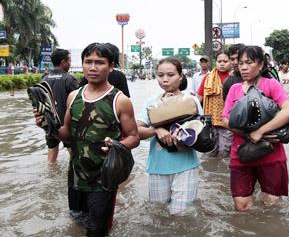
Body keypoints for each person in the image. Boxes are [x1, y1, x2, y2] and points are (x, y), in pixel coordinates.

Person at [34, 43, 140, 236]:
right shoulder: (74, 96)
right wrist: (48, 126)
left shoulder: (120, 100)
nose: (92, 67)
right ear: (82, 64)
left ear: (111, 66)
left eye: (99, 62)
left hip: (103, 178)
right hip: (75, 176)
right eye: (88, 62)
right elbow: (66, 132)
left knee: (96, 230)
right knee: (77, 220)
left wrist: (116, 146)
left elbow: (134, 137)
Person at [222, 46, 289, 211]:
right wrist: (248, 134)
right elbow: (225, 119)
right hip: (241, 154)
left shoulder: (271, 85)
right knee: (242, 206)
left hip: (272, 155)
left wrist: (260, 132)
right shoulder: (234, 89)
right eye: (240, 63)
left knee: (272, 205)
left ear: (261, 65)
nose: (243, 67)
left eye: (249, 62)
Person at [136, 57, 202, 215]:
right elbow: (136, 131)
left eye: (170, 75)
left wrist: (184, 136)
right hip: (157, 168)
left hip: (186, 167)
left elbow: (203, 134)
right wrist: (156, 130)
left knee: (180, 216)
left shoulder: (191, 100)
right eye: (160, 75)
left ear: (180, 76)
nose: (165, 79)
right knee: (158, 216)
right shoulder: (151, 103)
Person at [42, 48, 79, 162]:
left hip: (49, 121)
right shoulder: (69, 79)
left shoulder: (44, 78)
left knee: (52, 150)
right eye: (69, 61)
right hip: (66, 124)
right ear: (63, 62)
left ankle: (51, 176)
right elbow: (78, 101)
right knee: (73, 152)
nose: (70, 63)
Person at [197, 50, 233, 157]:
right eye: (219, 61)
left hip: (228, 124)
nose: (222, 63)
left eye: (225, 61)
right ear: (215, 62)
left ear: (231, 62)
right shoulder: (208, 78)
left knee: (225, 152)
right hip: (210, 122)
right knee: (210, 152)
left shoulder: (234, 78)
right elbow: (199, 97)